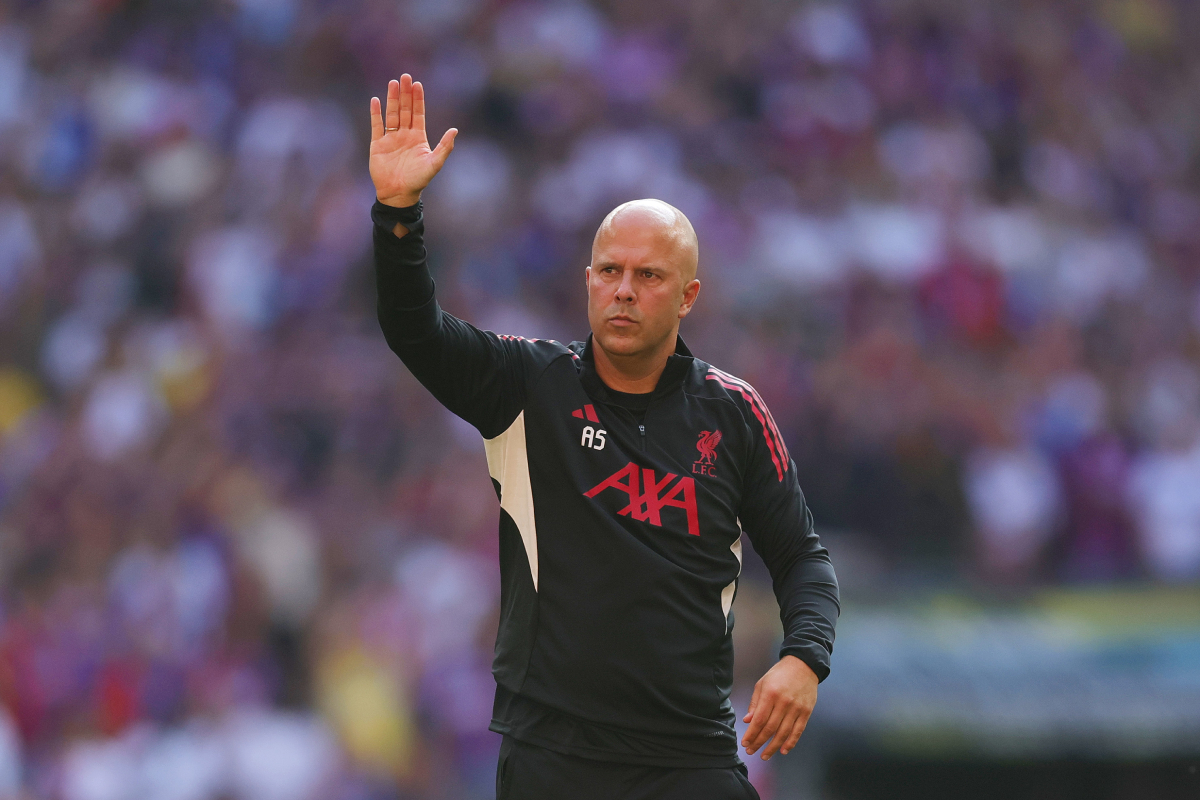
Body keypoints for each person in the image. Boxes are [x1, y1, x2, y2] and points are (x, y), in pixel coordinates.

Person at [368, 75, 839, 800]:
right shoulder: (527, 385)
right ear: (587, 281)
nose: (623, 289)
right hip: (553, 755)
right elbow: (414, 332)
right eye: (610, 272)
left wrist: (804, 658)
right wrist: (399, 214)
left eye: (648, 276)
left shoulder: (735, 414)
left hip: (689, 754)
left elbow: (803, 558)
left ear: (688, 297)